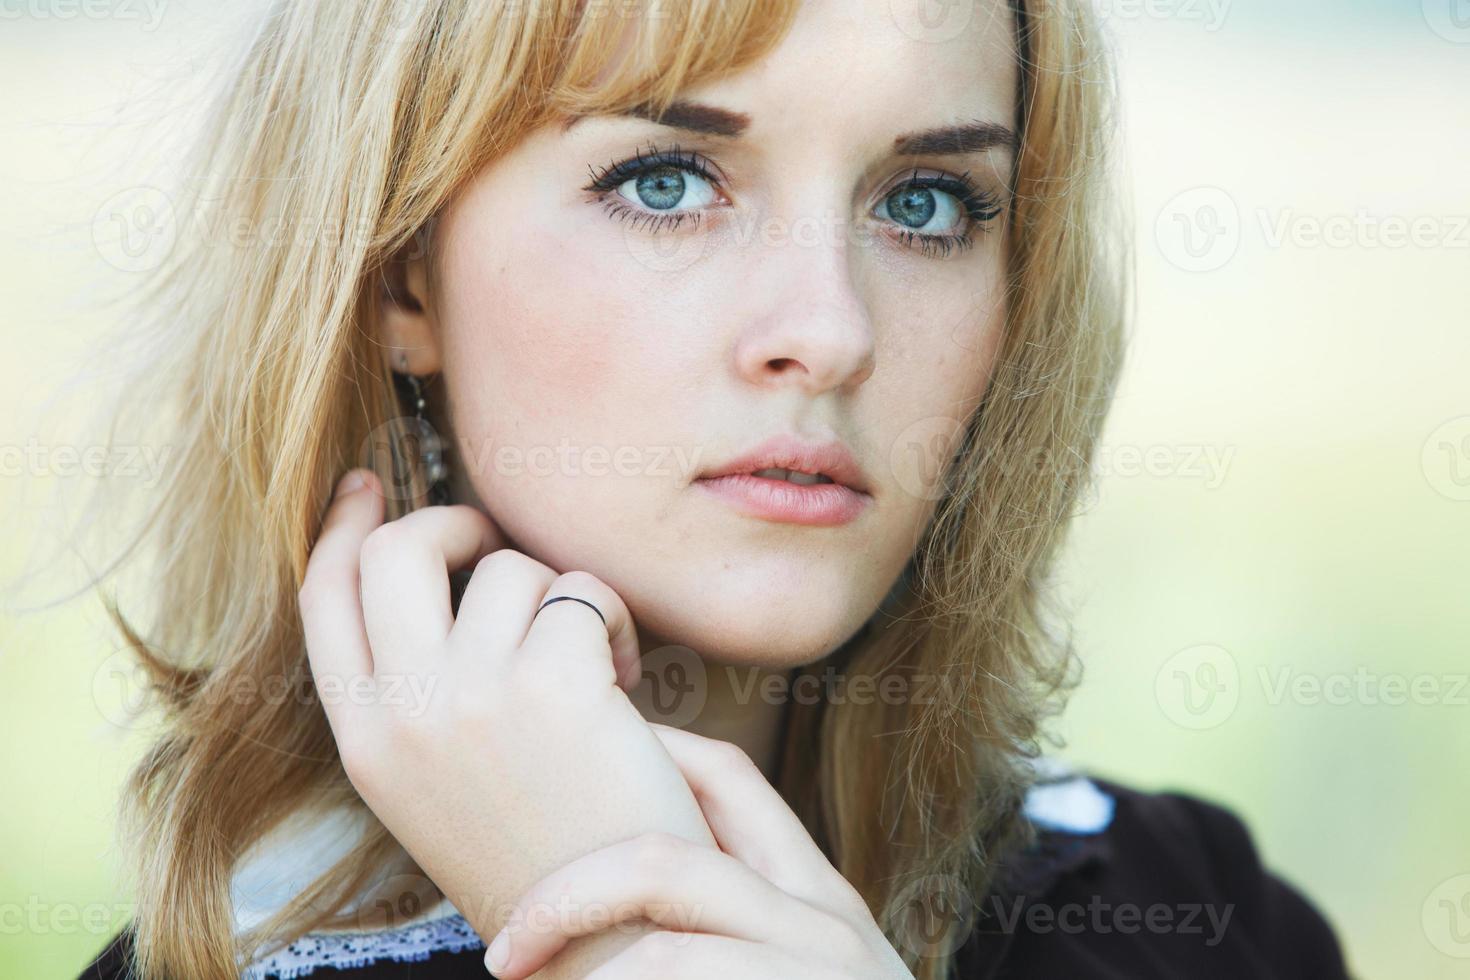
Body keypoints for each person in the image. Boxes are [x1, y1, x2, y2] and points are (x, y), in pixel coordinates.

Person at [75, 0, 1351, 977]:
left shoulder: (1193, 911)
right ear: (407, 276)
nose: (830, 328)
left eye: (926, 200)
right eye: (668, 182)